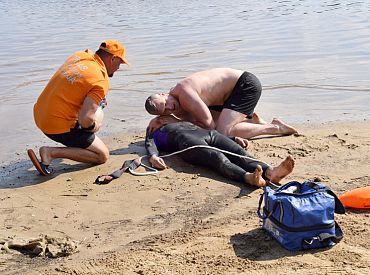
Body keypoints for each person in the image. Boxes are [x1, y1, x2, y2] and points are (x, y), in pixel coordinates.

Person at [27, 39, 129, 175]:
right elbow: (85, 121)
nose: (119, 67)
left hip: (39, 114)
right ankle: (50, 152)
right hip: (55, 126)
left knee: (97, 105)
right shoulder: (100, 81)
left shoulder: (80, 56)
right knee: (102, 155)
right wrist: (94, 127)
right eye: (120, 62)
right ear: (113, 58)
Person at [145, 68, 297, 139]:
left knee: (222, 133)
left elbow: (209, 126)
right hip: (225, 96)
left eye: (166, 103)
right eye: (165, 110)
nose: (170, 108)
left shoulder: (184, 93)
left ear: (164, 94)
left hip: (244, 86)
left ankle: (276, 128)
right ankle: (252, 120)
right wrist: (161, 120)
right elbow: (192, 120)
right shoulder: (176, 100)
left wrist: (175, 121)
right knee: (213, 125)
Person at [145, 116, 295, 187]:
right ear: (160, 121)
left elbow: (205, 129)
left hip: (210, 134)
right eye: (163, 117)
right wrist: (153, 156)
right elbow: (149, 142)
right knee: (219, 158)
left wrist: (233, 138)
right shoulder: (156, 130)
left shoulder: (182, 121)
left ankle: (270, 172)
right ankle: (248, 177)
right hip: (187, 142)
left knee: (239, 153)